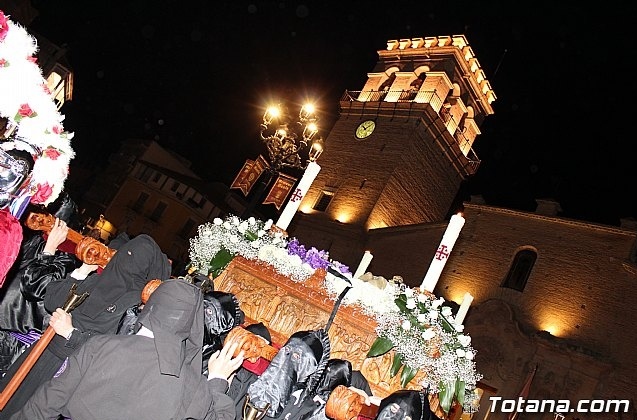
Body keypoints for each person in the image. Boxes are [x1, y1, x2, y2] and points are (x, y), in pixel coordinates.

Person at [8, 278, 245, 420]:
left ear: (151, 306)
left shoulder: (100, 346)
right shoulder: (190, 384)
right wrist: (217, 381)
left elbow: (45, 404)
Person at [0, 233, 172, 418]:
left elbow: (114, 353)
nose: (126, 262)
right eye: (126, 254)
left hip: (68, 374)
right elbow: (52, 300)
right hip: (41, 355)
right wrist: (82, 270)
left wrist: (71, 334)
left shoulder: (136, 309)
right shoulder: (100, 280)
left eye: (134, 258)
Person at [0, 193, 81, 375]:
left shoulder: (66, 257)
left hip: (13, 337)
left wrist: (49, 249)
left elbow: (34, 287)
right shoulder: (31, 239)